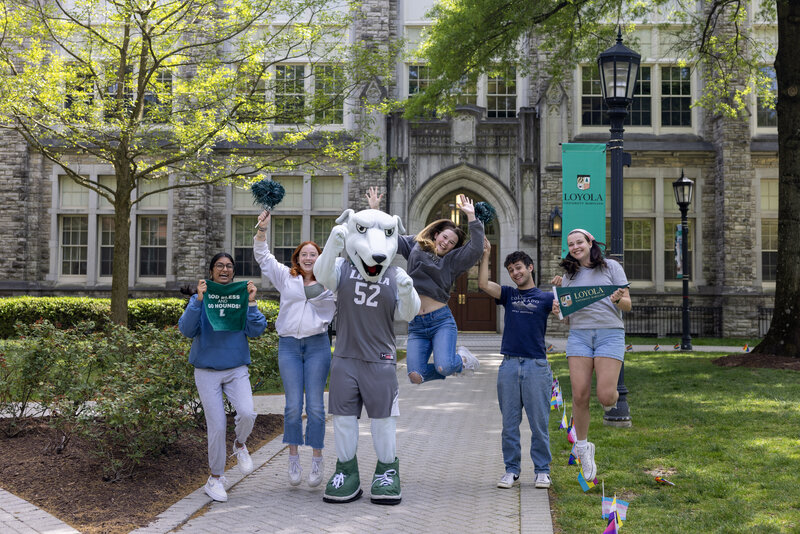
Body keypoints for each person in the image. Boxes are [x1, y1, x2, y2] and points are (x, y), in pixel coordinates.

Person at [313, 206, 420, 505]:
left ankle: (387, 471)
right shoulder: (343, 268)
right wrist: (332, 245)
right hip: (345, 357)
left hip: (381, 360)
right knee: (344, 419)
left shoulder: (396, 274)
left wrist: (409, 291)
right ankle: (346, 472)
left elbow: (408, 314)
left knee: (383, 420)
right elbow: (322, 276)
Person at [366, 187, 483, 384]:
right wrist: (376, 211)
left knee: (444, 366)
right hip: (416, 324)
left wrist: (471, 216)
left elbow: (476, 248)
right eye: (445, 237)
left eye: (452, 242)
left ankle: (461, 360)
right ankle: (453, 363)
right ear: (436, 234)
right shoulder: (415, 245)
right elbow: (389, 236)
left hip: (440, 321)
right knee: (415, 376)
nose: (446, 243)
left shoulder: (453, 261)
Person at [253, 211, 336, 488]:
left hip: (317, 346)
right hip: (288, 346)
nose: (309, 258)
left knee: (314, 406)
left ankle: (316, 458)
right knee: (291, 407)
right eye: (304, 254)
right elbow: (263, 256)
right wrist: (262, 230)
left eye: (314, 254)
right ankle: (292, 457)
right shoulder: (285, 278)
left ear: (320, 258)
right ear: (297, 258)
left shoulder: (331, 283)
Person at [178, 253, 267, 503]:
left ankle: (239, 444)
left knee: (248, 413)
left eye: (229, 266)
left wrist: (250, 303)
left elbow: (257, 329)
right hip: (206, 371)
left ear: (233, 273)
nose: (224, 269)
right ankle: (215, 478)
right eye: (219, 266)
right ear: (211, 272)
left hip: (236, 368)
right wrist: (198, 300)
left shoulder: (240, 299)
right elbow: (186, 329)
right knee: (217, 426)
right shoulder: (202, 298)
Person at [551, 228, 631, 482]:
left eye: (579, 242)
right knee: (579, 394)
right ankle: (583, 448)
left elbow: (627, 305)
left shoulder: (611, 267)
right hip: (579, 337)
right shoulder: (569, 276)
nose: (575, 247)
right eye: (571, 244)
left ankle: (615, 400)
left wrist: (618, 299)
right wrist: (559, 310)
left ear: (590, 242)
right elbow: (567, 319)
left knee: (606, 397)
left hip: (610, 334)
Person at [478, 239, 555, 490]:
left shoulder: (545, 298)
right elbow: (482, 284)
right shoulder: (508, 295)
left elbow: (567, 317)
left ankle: (542, 471)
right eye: (511, 270)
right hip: (509, 366)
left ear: (530, 267)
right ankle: (511, 470)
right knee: (509, 425)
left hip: (536, 367)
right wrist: (486, 255)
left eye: (519, 267)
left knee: (539, 424)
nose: (515, 273)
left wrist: (562, 299)